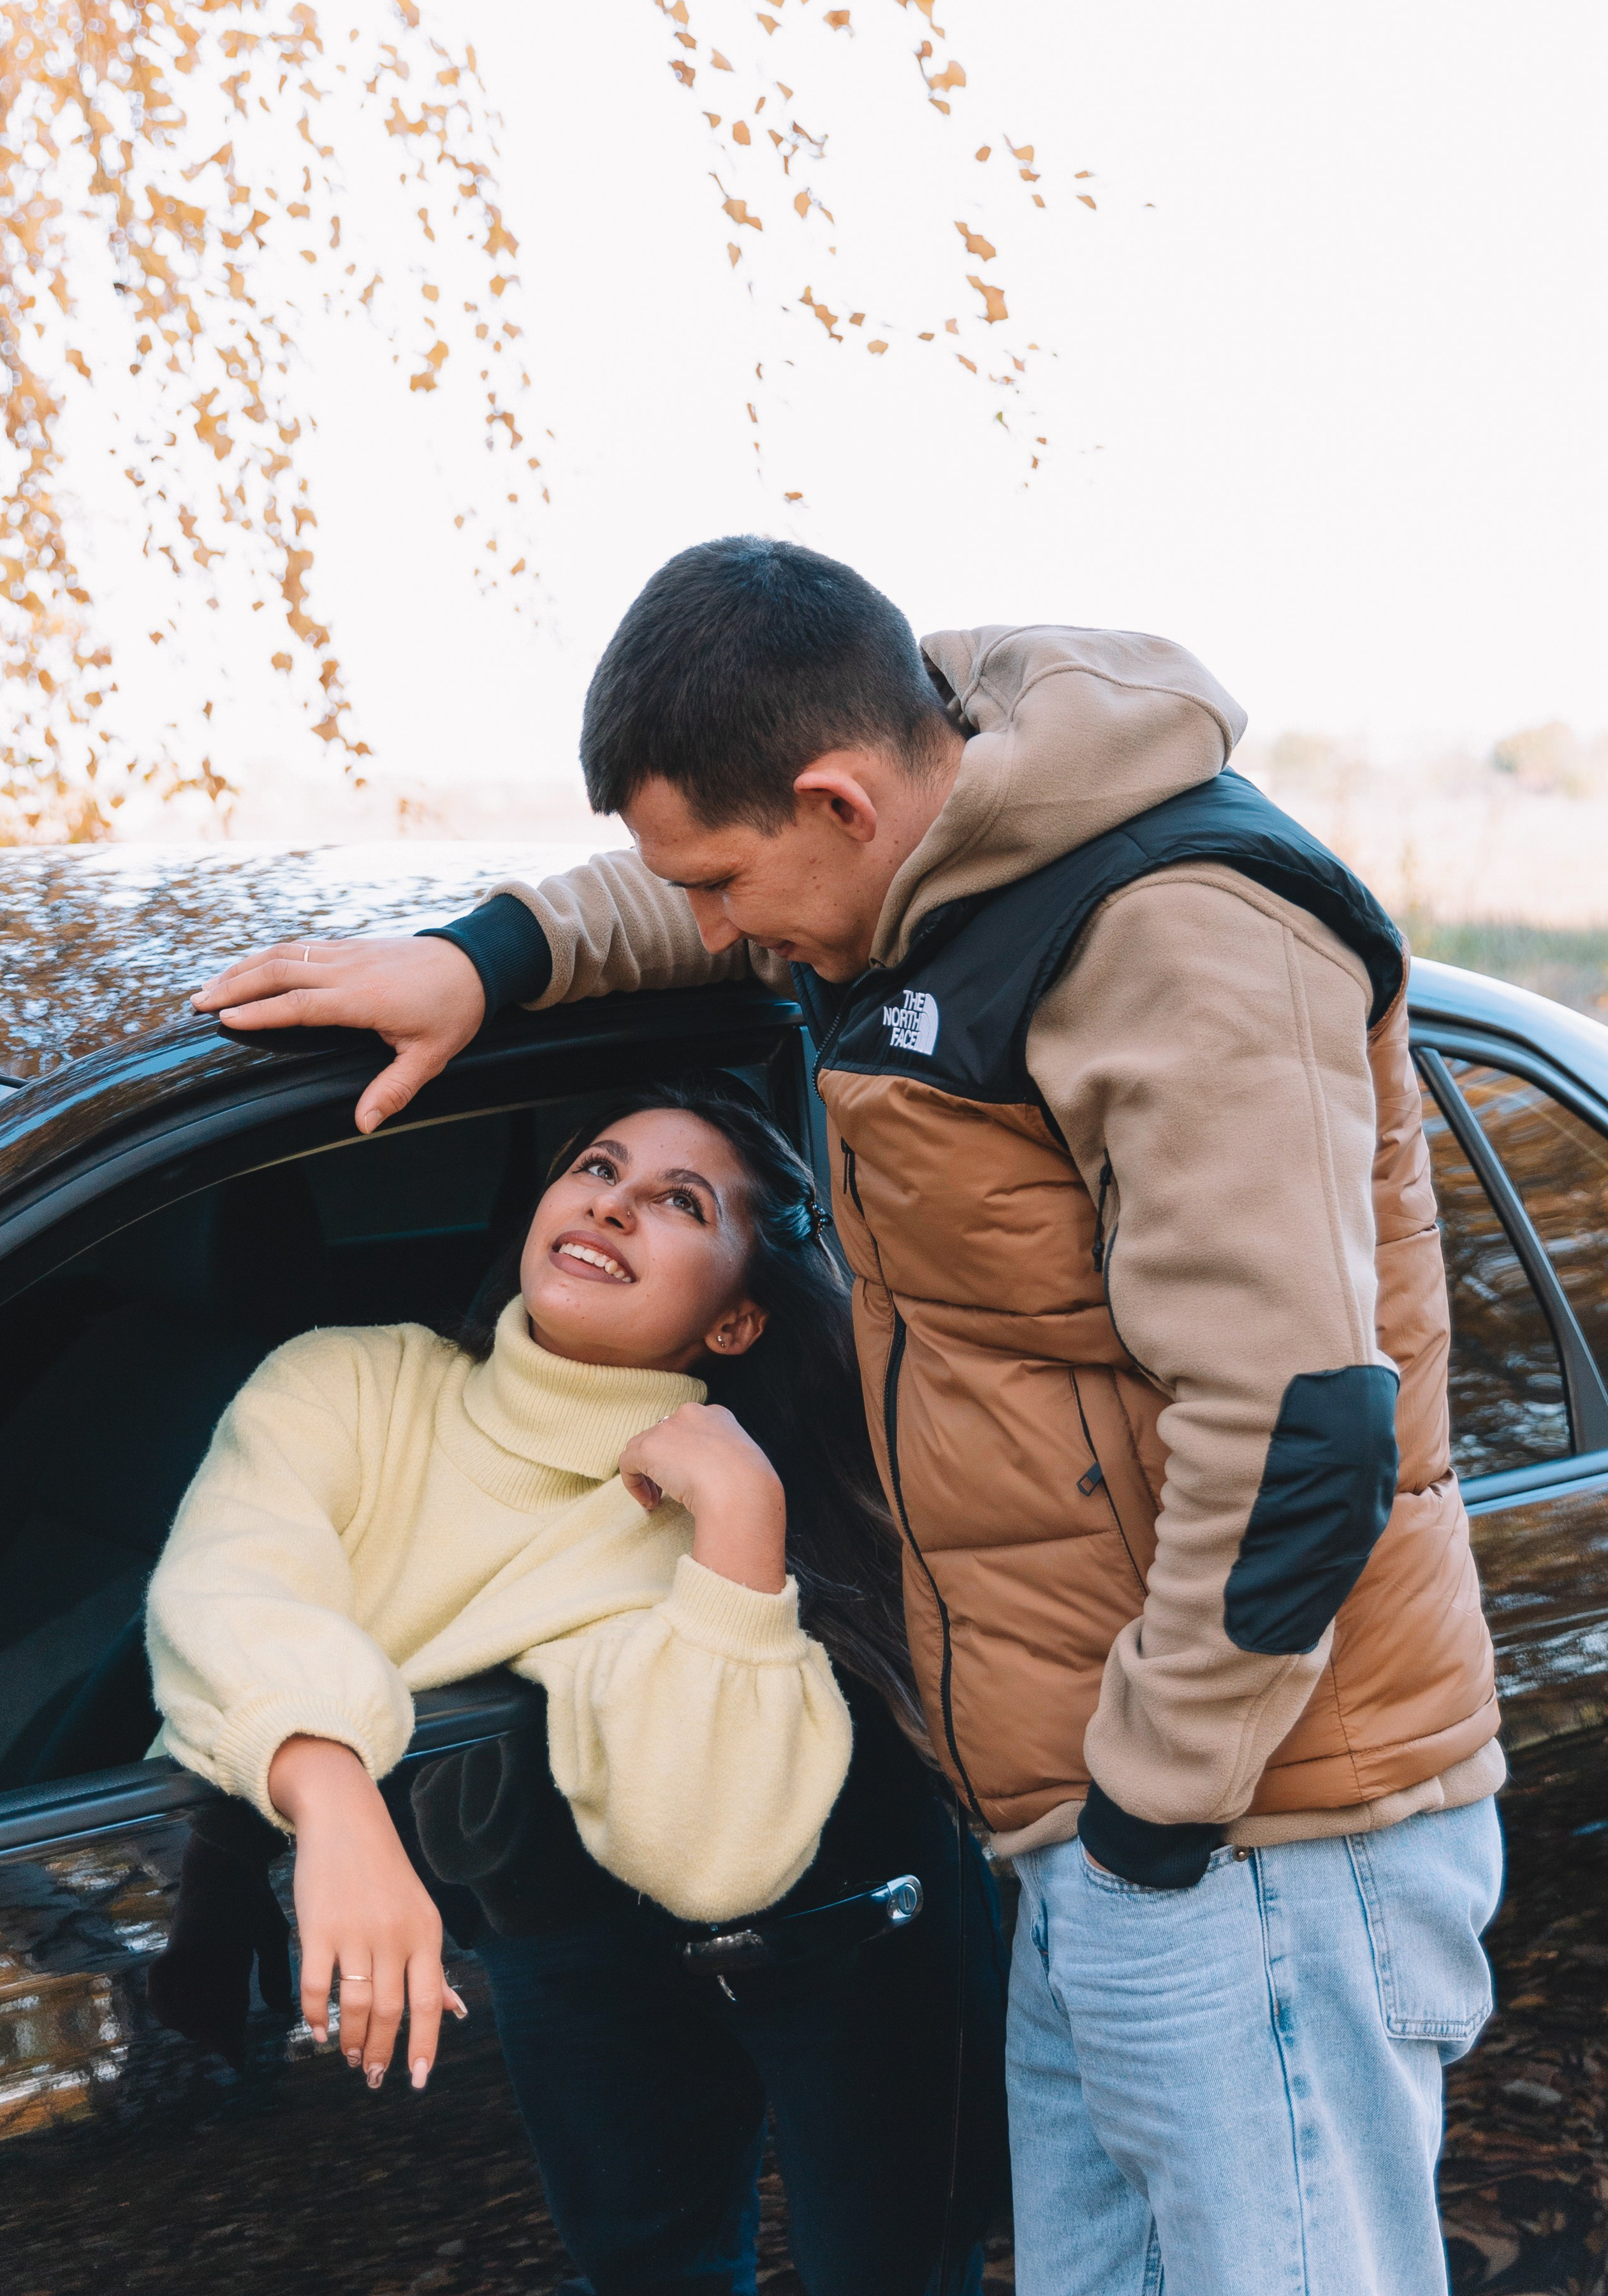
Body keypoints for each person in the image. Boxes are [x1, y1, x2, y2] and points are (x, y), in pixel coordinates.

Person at [193, 537, 1504, 2296]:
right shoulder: (934, 824)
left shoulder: (1178, 951)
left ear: (840, 798)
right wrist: (488, 962)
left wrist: (1147, 1830)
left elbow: (1305, 1437)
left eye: (728, 883)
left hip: (1257, 1824)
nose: (716, 935)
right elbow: (688, 883)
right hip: (1105, 1820)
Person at [147, 1078, 1007, 2296]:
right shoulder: (348, 1383)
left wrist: (742, 1525)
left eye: (678, 1201)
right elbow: (229, 1587)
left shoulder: (697, 1518)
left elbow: (708, 1853)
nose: (612, 1206)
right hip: (473, 1915)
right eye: (597, 1168)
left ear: (737, 1325)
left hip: (660, 1943)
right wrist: (334, 1798)